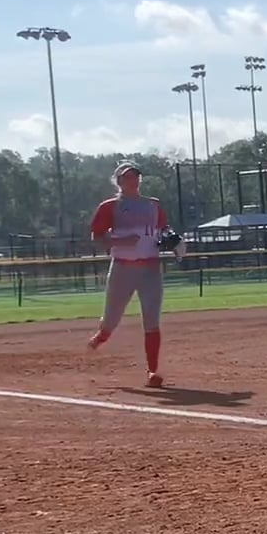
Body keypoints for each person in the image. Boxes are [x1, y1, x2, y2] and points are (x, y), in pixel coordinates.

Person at [86, 161, 179, 387]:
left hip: (150, 268)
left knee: (152, 320)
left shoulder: (153, 205)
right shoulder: (110, 207)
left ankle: (152, 371)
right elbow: (97, 237)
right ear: (119, 181)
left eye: (135, 176)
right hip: (122, 268)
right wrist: (119, 241)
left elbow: (163, 231)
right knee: (111, 319)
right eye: (127, 176)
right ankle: (103, 334)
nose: (133, 180)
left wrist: (173, 241)